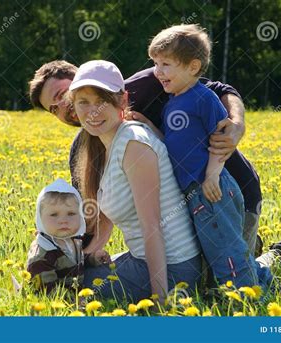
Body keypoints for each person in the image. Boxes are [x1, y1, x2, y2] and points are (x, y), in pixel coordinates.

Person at [28, 60, 262, 257]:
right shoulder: (82, 150)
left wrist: (236, 124)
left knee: (228, 282)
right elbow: (87, 211)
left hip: (230, 194)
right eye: (53, 108)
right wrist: (53, 243)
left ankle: (278, 253)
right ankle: (249, 249)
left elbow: (218, 90)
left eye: (61, 94)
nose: (63, 107)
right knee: (200, 278)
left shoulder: (146, 84)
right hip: (187, 217)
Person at [144, 24, 275, 289]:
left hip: (212, 189)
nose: (157, 72)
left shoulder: (202, 97)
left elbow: (220, 140)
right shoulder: (173, 102)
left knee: (228, 255)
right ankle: (266, 282)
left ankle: (249, 303)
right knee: (219, 254)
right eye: (155, 63)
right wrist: (147, 126)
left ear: (193, 67)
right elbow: (173, 144)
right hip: (198, 191)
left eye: (165, 64)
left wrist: (212, 175)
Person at [68, 60, 202, 304]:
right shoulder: (109, 145)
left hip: (174, 269)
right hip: (143, 258)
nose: (93, 112)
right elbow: (108, 218)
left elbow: (153, 227)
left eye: (102, 101)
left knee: (69, 289)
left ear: (122, 100)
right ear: (74, 108)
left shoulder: (133, 144)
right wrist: (86, 255)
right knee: (70, 277)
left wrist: (160, 298)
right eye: (84, 103)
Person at [26, 178, 109, 294]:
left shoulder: (74, 240)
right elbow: (45, 291)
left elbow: (75, 264)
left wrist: (92, 259)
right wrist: (74, 301)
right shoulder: (42, 254)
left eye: (71, 214)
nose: (63, 220)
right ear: (40, 218)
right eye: (54, 215)